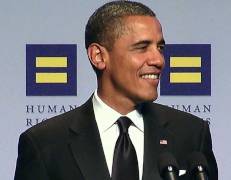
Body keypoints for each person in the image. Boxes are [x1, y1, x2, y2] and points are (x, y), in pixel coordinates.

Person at [14, 1, 218, 180]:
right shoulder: (45, 143)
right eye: (142, 47)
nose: (158, 60)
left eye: (160, 48)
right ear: (99, 56)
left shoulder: (191, 134)